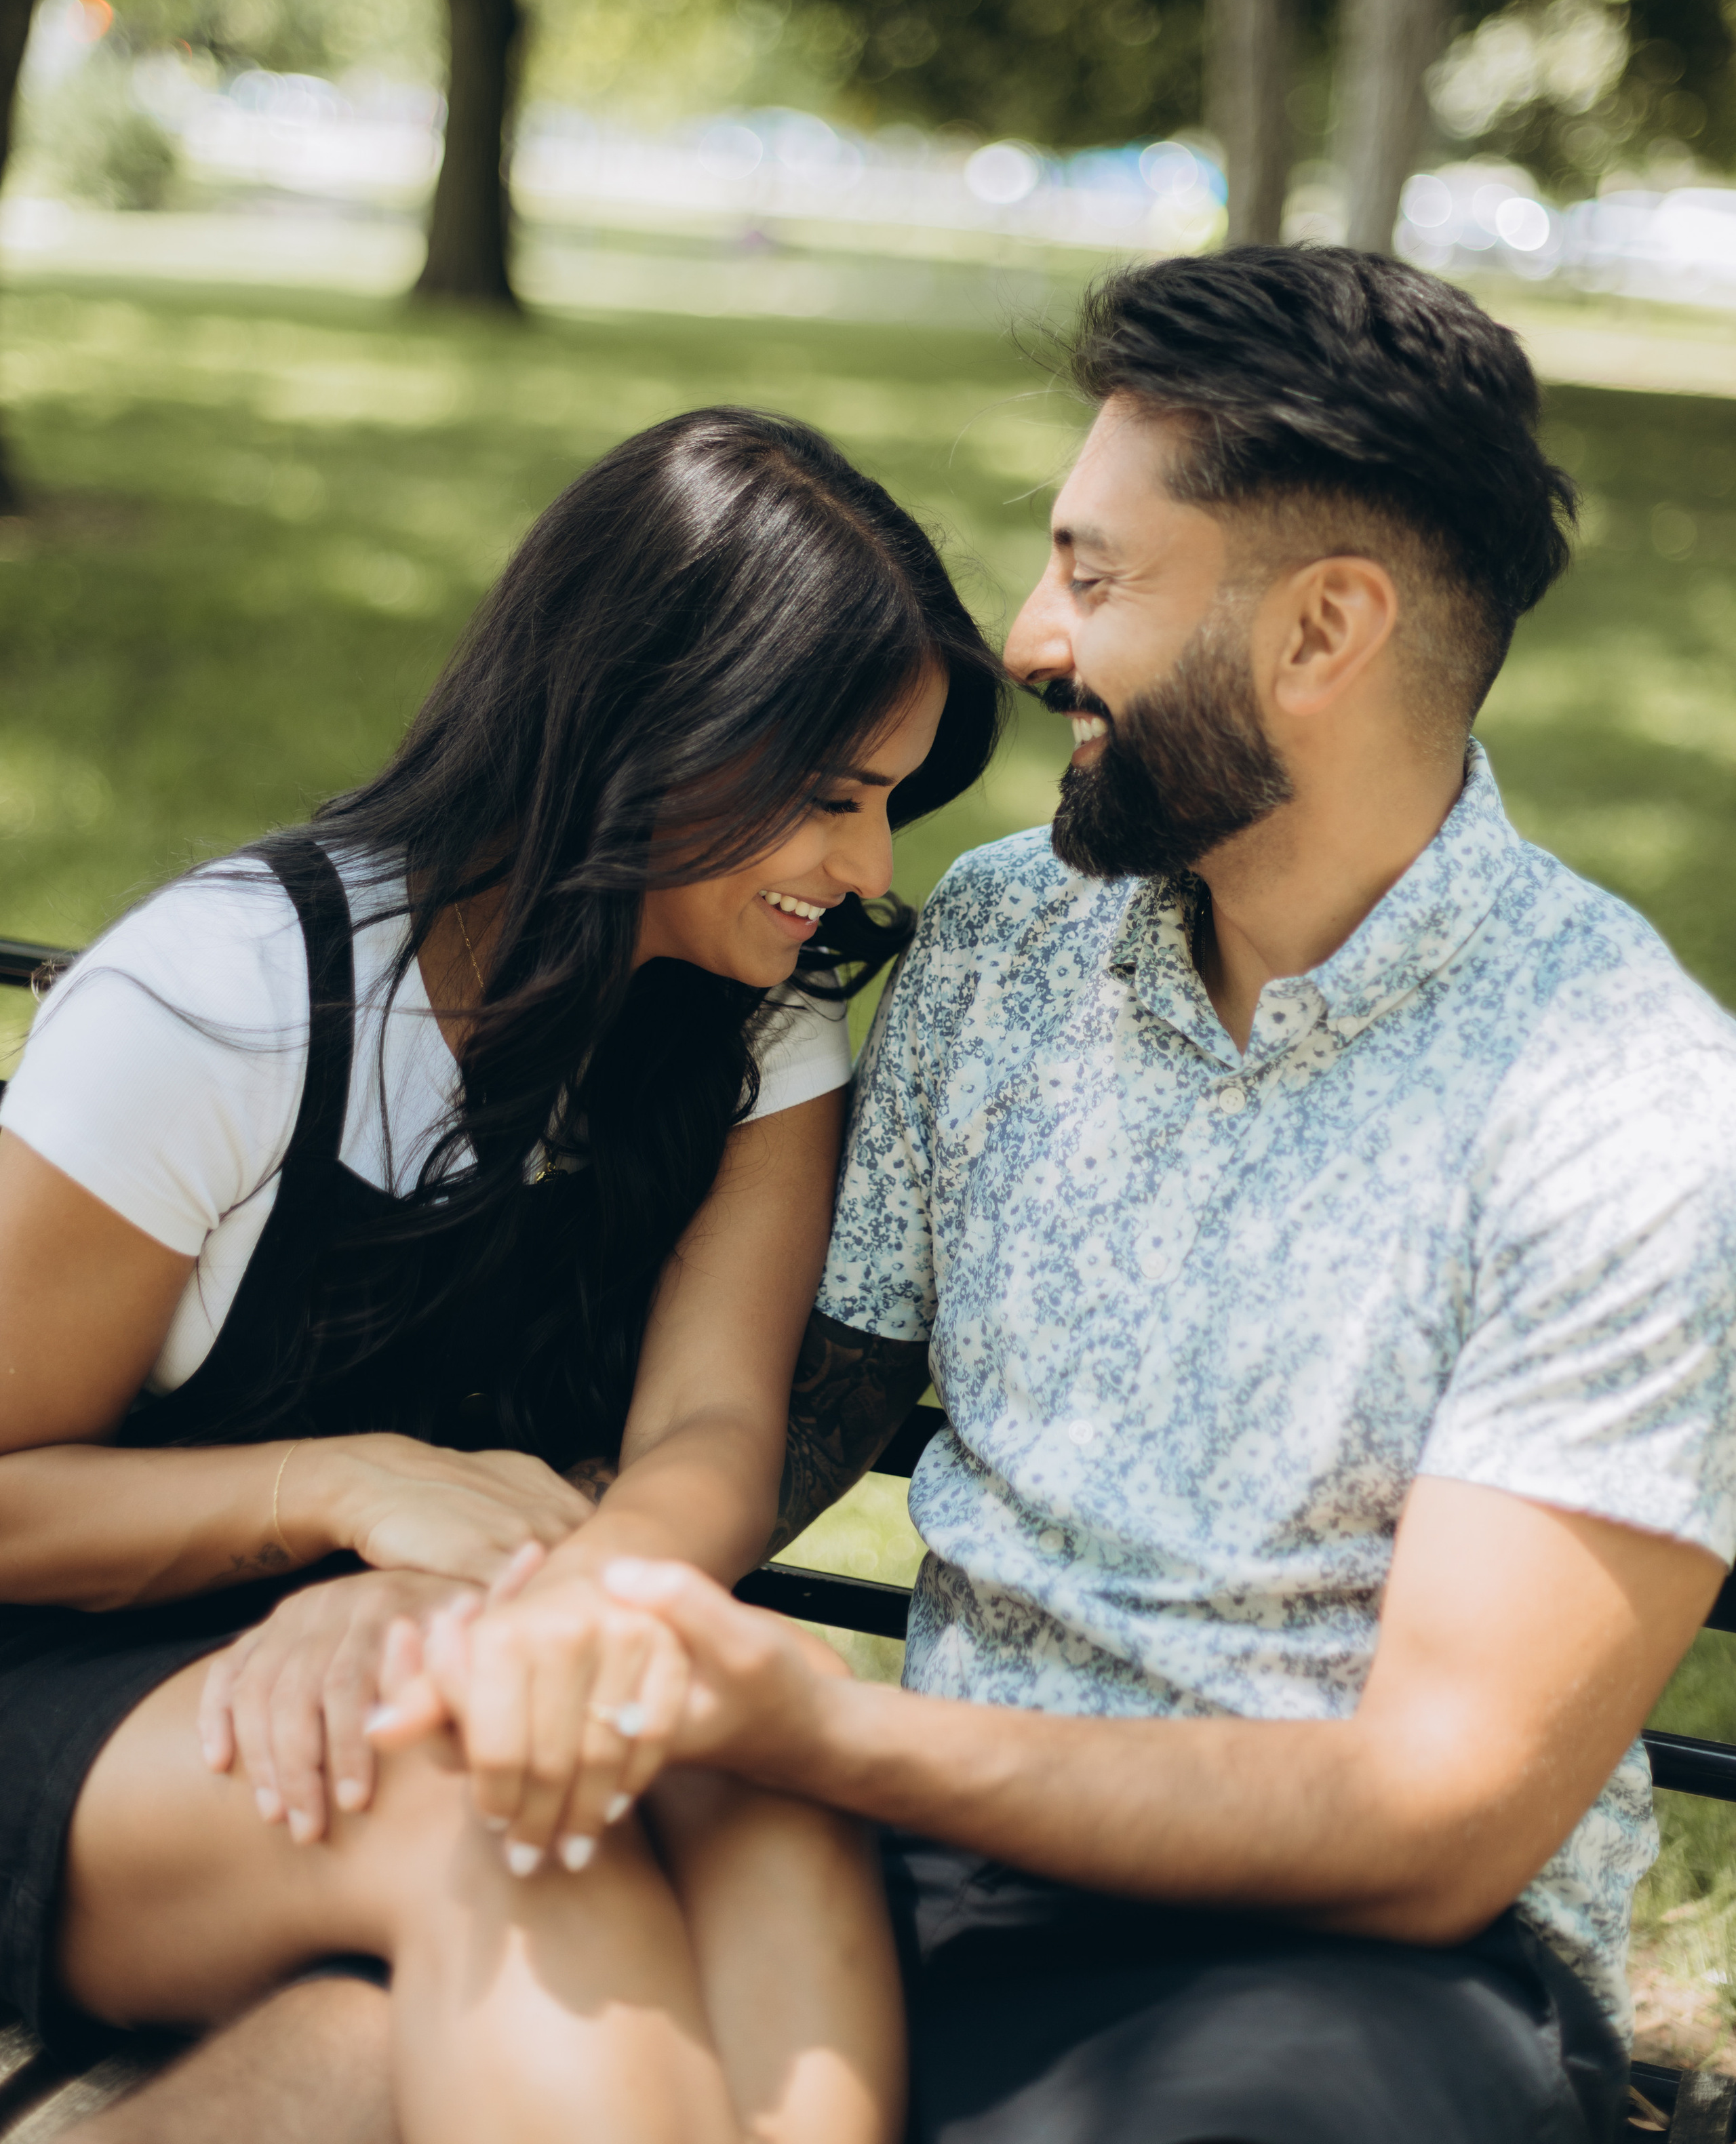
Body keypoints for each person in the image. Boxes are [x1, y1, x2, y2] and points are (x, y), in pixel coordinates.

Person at [408, 249, 1736, 2144]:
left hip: (1352, 1984)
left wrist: (827, 1732)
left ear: (1323, 629)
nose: (1030, 639)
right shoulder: (1012, 944)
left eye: (1097, 576)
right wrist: (488, 1615)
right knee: (410, 1995)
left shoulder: (1623, 1106)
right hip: (925, 1880)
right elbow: (800, 1402)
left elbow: (1432, 1828)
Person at [0, 406, 1006, 2144]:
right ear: (645, 725)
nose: (863, 873)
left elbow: (707, 1432)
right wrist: (341, 1496)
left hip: (415, 1668)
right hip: (73, 1703)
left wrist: (525, 1623)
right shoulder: (231, 1003)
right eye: (832, 798)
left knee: (767, 1783)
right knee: (507, 1825)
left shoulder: (756, 1029)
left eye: (889, 807)